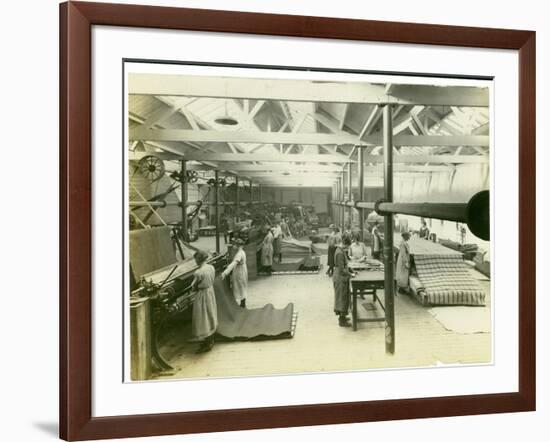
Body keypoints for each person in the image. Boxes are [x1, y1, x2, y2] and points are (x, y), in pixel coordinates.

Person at [190, 250, 217, 353]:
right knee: (210, 314)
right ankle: (210, 339)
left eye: (195, 259)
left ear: (198, 259)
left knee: (203, 317)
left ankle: (208, 343)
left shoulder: (198, 272)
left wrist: (194, 288)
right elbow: (212, 279)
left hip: (202, 295)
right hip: (210, 292)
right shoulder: (211, 267)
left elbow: (193, 287)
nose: (195, 261)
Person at [333, 232, 354, 327]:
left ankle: (343, 316)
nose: (348, 248)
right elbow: (341, 270)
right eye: (347, 246)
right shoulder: (339, 253)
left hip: (341, 277)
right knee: (342, 298)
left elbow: (344, 266)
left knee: (344, 298)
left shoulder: (340, 250)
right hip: (340, 278)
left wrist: (349, 269)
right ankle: (341, 321)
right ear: (345, 244)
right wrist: (350, 274)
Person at [221, 238, 248, 308]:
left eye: (235, 245)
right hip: (242, 269)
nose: (234, 246)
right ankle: (243, 303)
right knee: (242, 286)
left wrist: (225, 272)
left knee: (240, 286)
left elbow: (234, 263)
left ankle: (243, 304)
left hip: (240, 271)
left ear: (238, 245)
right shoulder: (242, 252)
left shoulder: (239, 254)